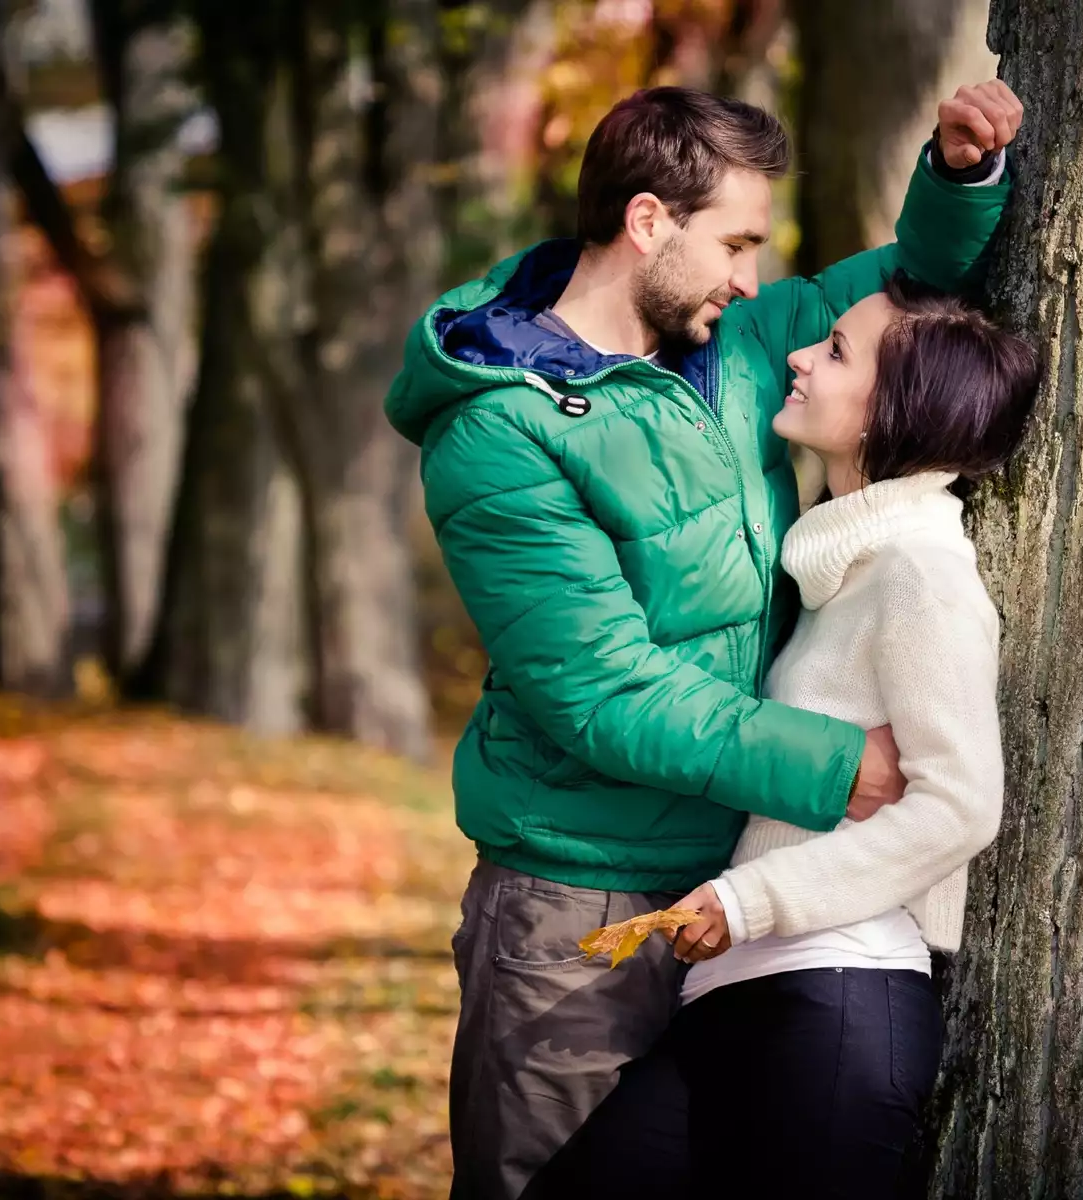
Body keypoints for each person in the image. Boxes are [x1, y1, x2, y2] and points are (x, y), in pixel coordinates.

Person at [382, 79, 1024, 1199]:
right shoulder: (500, 434)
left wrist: (961, 174)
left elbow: (902, 296)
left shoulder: (741, 341)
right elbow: (604, 692)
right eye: (734, 240)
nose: (751, 275)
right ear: (646, 224)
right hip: (581, 911)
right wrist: (838, 766)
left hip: (745, 894)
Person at [525, 273, 1041, 1199]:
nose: (802, 356)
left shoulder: (923, 570)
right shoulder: (842, 554)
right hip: (738, 998)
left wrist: (752, 901)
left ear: (894, 412)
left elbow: (962, 806)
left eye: (837, 351)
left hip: (836, 1001)